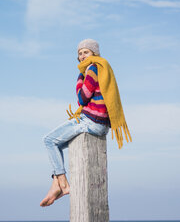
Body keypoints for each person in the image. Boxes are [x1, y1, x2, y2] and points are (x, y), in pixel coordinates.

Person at [40, 39, 132, 207]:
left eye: (86, 52)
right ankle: (56, 184)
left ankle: (63, 185)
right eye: (80, 53)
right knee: (57, 144)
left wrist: (79, 79)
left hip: (91, 121)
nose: (82, 56)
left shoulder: (92, 68)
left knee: (49, 140)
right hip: (101, 124)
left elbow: (82, 97)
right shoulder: (101, 67)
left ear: (94, 53)